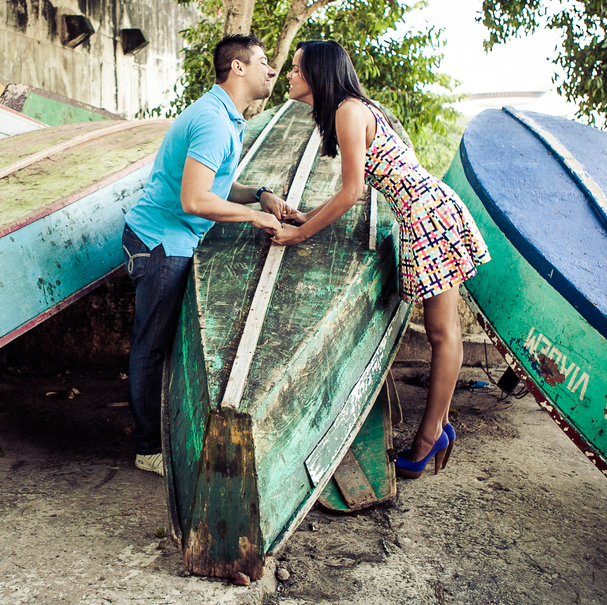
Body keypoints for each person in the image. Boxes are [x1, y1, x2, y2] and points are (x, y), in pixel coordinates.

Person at [271, 40, 491, 478]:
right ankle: (439, 428)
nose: (289, 76)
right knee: (441, 333)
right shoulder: (351, 109)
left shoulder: (348, 112)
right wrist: (306, 214)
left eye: (296, 69)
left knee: (442, 333)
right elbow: (354, 190)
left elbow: (353, 192)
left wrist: (299, 233)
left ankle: (431, 434)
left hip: (427, 215)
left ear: (318, 74)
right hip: (424, 213)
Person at [122, 34, 293, 476]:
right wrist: (254, 219)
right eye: (262, 62)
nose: (271, 71)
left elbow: (216, 186)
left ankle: (159, 436)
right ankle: (147, 449)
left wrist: (259, 195)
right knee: (150, 349)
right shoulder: (214, 121)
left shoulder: (225, 117)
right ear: (237, 68)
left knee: (160, 346)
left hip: (172, 238)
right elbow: (196, 200)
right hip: (161, 243)